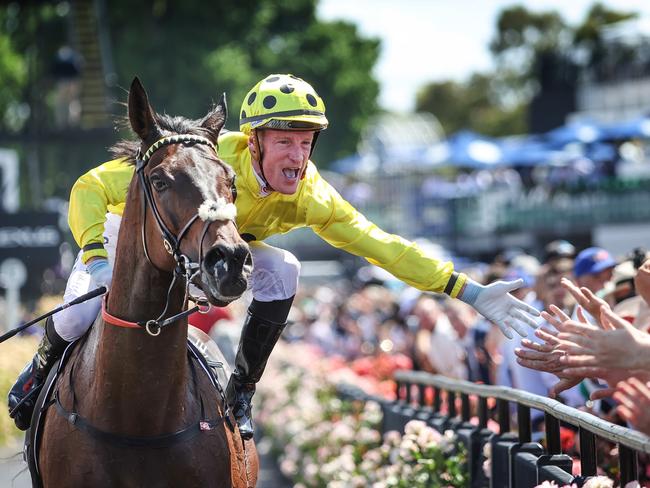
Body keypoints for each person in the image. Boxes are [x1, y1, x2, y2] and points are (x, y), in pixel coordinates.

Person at [8, 74, 540, 438]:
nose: (298, 156)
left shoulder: (314, 196)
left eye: (306, 142)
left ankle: (242, 390)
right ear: (255, 141)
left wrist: (465, 290)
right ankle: (40, 368)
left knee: (285, 267)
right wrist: (96, 256)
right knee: (81, 309)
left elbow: (385, 246)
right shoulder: (206, 162)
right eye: (284, 141)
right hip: (136, 237)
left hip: (216, 251)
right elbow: (88, 186)